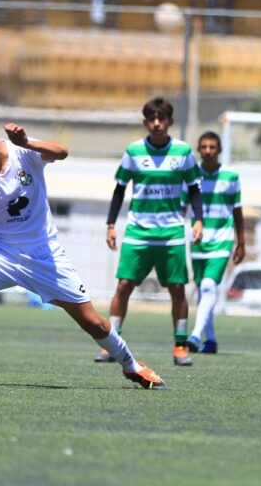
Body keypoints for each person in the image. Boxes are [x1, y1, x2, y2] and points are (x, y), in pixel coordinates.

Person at [0, 113, 167, 389]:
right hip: (0, 251)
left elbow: (63, 152)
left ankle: (131, 365)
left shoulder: (22, 152)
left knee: (94, 324)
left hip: (43, 254)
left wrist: (28, 141)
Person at [97, 97, 204, 367]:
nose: (157, 123)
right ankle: (112, 345)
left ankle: (180, 346)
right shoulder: (133, 152)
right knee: (123, 286)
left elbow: (194, 190)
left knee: (178, 289)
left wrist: (199, 220)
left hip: (171, 233)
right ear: (146, 122)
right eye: (152, 119)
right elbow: (120, 190)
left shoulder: (183, 152)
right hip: (138, 232)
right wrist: (111, 224)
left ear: (169, 122)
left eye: (162, 118)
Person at [186, 131, 244, 354]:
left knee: (209, 286)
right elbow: (183, 206)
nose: (208, 151)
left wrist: (241, 242)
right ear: (199, 150)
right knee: (204, 291)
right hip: (198, 241)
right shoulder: (192, 177)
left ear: (219, 150)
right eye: (204, 147)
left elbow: (237, 210)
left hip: (222, 241)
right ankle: (210, 340)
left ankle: (194, 335)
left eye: (212, 147)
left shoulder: (231, 176)